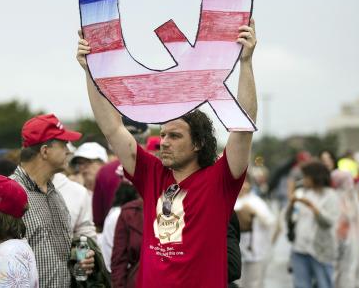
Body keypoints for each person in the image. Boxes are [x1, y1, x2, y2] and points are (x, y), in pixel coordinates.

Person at [76, 18, 258, 288]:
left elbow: (243, 129)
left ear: (198, 143)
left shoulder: (220, 180)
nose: (164, 142)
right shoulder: (152, 174)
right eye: (162, 135)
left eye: (174, 136)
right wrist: (91, 71)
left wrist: (245, 63)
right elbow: (112, 128)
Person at [12, 114, 95, 287]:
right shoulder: (10, 193)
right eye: (64, 144)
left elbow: (57, 251)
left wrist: (78, 257)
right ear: (44, 151)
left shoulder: (55, 194)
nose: (69, 150)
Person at [287, 161, 339, 288]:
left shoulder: (330, 196)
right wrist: (292, 204)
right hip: (299, 249)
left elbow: (328, 222)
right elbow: (290, 218)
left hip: (320, 251)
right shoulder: (303, 193)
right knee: (300, 285)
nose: (303, 179)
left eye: (306, 176)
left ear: (315, 177)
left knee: (324, 284)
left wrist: (311, 206)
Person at [331, 169, 359, 288]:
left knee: (347, 270)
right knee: (346, 270)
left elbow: (353, 217)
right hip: (346, 238)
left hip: (349, 239)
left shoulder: (347, 197)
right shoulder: (342, 197)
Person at [234, 174, 275, 288]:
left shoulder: (256, 202)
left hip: (255, 248)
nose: (242, 186)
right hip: (234, 250)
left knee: (254, 282)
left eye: (245, 183)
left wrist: (254, 212)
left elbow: (269, 221)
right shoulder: (229, 199)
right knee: (236, 282)